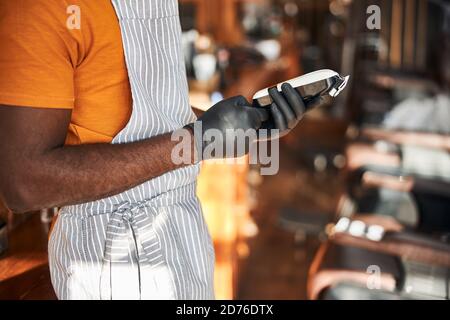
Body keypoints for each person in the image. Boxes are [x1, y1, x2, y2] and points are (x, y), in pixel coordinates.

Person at [0, 0, 304, 299]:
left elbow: (159, 118)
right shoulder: (41, 7)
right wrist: (195, 141)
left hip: (183, 230)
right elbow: (25, 183)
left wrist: (252, 126)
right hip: (116, 256)